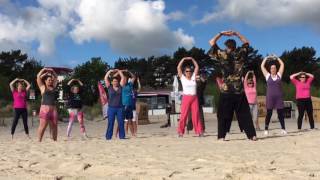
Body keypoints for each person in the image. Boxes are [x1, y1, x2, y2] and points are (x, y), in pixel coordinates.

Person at [208, 30, 257, 141]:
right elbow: (246, 42)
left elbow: (211, 42)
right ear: (235, 46)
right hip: (239, 90)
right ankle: (252, 135)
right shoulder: (240, 54)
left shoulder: (222, 54)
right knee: (244, 114)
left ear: (227, 47)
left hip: (226, 90)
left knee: (223, 115)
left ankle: (221, 137)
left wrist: (221, 33)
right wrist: (237, 33)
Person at [177, 57, 203, 137]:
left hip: (194, 98)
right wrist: (183, 59)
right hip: (186, 98)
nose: (189, 72)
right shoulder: (183, 78)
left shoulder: (193, 78)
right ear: (184, 72)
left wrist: (192, 59)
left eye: (190, 71)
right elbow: (178, 67)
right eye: (187, 71)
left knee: (196, 115)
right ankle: (180, 132)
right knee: (184, 115)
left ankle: (199, 131)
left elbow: (197, 67)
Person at [261, 55, 286, 135]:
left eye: (274, 68)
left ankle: (283, 129)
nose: (273, 69)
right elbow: (262, 66)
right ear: (270, 69)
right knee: (269, 114)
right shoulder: (267, 76)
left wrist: (276, 57)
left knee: (280, 114)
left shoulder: (279, 75)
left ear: (276, 69)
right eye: (272, 68)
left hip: (279, 98)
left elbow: (282, 64)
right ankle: (266, 129)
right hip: (270, 98)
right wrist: (267, 58)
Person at [36, 68, 58, 142]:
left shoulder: (53, 87)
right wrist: (44, 70)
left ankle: (54, 140)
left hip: (53, 109)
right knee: (43, 126)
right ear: (45, 81)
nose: (51, 81)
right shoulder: (43, 87)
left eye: (51, 80)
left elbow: (56, 77)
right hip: (45, 109)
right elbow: (38, 76)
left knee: (54, 126)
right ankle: (39, 141)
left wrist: (52, 71)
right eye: (49, 80)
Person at [104, 69, 126, 140]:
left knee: (121, 123)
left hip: (120, 108)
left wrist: (119, 71)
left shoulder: (121, 87)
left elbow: (123, 78)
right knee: (110, 123)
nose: (115, 82)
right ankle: (108, 137)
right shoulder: (109, 87)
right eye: (114, 81)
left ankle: (122, 137)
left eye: (116, 81)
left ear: (118, 82)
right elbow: (105, 78)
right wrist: (110, 71)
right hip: (111, 108)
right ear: (111, 82)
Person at [121, 70, 136, 137]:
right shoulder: (121, 85)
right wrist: (120, 71)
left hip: (129, 105)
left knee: (130, 121)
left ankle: (133, 134)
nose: (125, 80)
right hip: (123, 105)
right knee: (121, 121)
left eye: (126, 79)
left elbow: (134, 77)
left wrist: (128, 71)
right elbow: (115, 76)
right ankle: (116, 134)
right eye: (124, 79)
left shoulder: (130, 84)